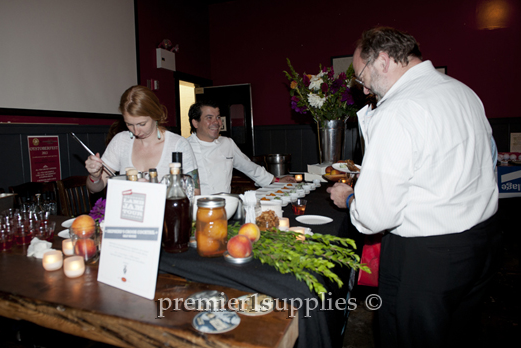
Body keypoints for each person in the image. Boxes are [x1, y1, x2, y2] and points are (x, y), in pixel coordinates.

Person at [328, 27, 500, 347]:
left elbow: (375, 216)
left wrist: (351, 197)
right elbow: (482, 160)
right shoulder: (462, 90)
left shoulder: (397, 110)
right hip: (482, 242)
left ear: (382, 60)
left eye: (360, 76)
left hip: (428, 258)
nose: (363, 89)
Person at [85, 85, 200, 193]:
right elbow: (95, 189)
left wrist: (155, 191)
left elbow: (195, 192)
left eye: (142, 124)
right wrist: (94, 176)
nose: (136, 131)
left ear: (155, 115)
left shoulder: (178, 145)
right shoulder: (120, 141)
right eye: (129, 124)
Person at [187, 101, 295, 195]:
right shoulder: (184, 147)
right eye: (209, 118)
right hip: (196, 210)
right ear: (195, 123)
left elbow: (249, 167)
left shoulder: (227, 143)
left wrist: (276, 180)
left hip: (225, 206)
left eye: (218, 117)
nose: (216, 122)